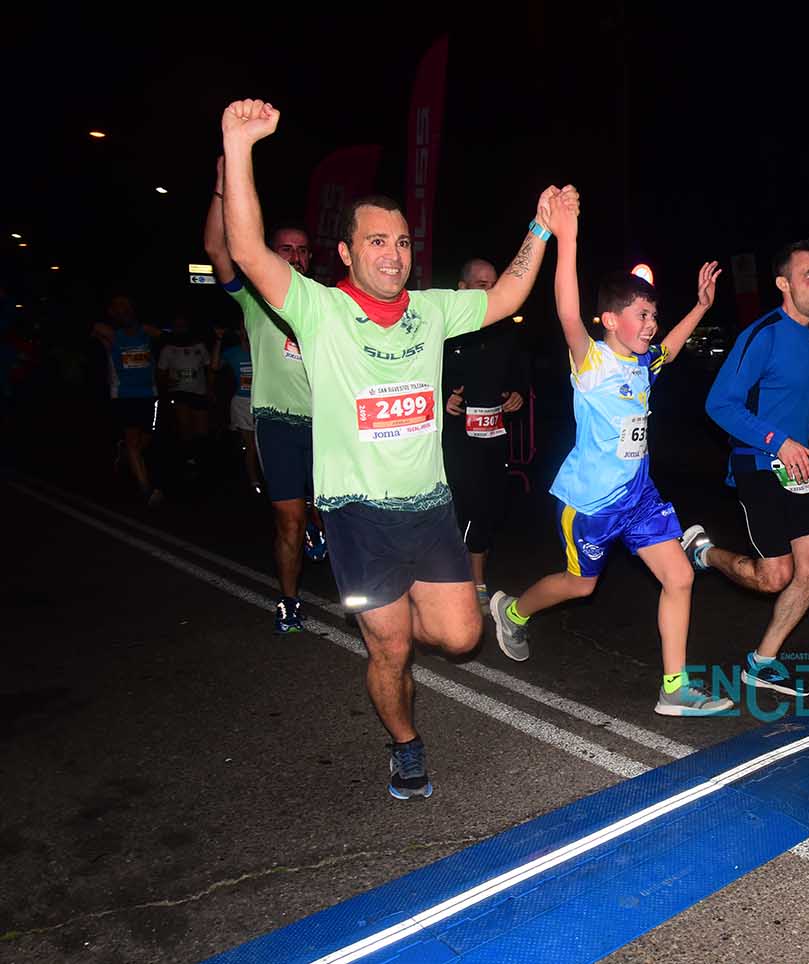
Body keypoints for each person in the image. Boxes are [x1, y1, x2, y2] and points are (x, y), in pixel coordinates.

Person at [220, 97, 567, 799]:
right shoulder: (319, 308)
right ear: (347, 253)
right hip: (357, 514)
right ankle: (405, 744)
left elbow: (505, 295)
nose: (394, 254)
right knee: (391, 648)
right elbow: (249, 251)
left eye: (403, 242)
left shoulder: (432, 311)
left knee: (462, 638)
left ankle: (396, 617)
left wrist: (541, 227)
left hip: (430, 509)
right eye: (377, 242)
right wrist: (239, 145)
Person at [488, 214, 733, 717]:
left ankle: (674, 688)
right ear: (610, 320)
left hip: (639, 497)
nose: (651, 323)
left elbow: (670, 349)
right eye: (641, 314)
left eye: (653, 314)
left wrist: (701, 307)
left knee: (679, 577)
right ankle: (512, 611)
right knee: (581, 584)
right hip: (591, 505)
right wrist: (568, 236)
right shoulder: (593, 364)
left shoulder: (643, 363)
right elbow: (567, 312)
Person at [683, 240, 809, 698]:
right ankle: (703, 552)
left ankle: (762, 662)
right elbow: (719, 404)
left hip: (798, 469)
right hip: (758, 462)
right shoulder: (763, 333)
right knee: (775, 576)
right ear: (783, 283)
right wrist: (777, 441)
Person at [204, 158, 325, 633]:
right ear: (270, 254)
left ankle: (319, 523)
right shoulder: (254, 298)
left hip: (326, 424)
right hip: (277, 422)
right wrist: (222, 188)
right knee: (287, 520)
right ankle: (289, 600)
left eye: (302, 250)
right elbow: (216, 248)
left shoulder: (324, 301)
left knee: (334, 513)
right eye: (285, 249)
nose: (294, 257)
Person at [442, 258, 527, 610]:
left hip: (493, 437)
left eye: (494, 284)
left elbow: (520, 374)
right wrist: (442, 397)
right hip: (455, 438)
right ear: (462, 289)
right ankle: (466, 580)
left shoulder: (505, 331)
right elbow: (418, 372)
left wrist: (517, 394)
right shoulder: (446, 331)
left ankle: (474, 578)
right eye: (481, 284)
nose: (490, 291)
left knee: (489, 506)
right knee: (463, 505)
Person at [99, 295, 163, 506]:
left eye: (126, 306)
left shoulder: (145, 332)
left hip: (149, 393)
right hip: (124, 394)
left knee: (146, 439)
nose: (123, 309)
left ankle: (126, 453)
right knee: (133, 441)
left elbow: (166, 336)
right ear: (112, 312)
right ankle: (146, 489)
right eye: (119, 306)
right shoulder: (110, 335)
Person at [156, 313, 212, 476]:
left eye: (183, 325)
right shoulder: (168, 349)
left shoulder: (200, 346)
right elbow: (160, 372)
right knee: (185, 427)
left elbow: (210, 368)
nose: (180, 329)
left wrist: (211, 389)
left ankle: (203, 460)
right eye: (177, 326)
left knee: (202, 430)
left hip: (199, 392)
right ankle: (189, 459)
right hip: (179, 393)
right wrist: (165, 384)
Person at [211, 324, 261, 495]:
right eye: (243, 329)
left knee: (259, 443)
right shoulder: (233, 352)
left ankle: (253, 470)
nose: (246, 332)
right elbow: (214, 366)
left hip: (261, 402)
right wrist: (219, 340)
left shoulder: (261, 349)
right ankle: (253, 480)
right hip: (242, 402)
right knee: (251, 444)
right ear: (239, 333)